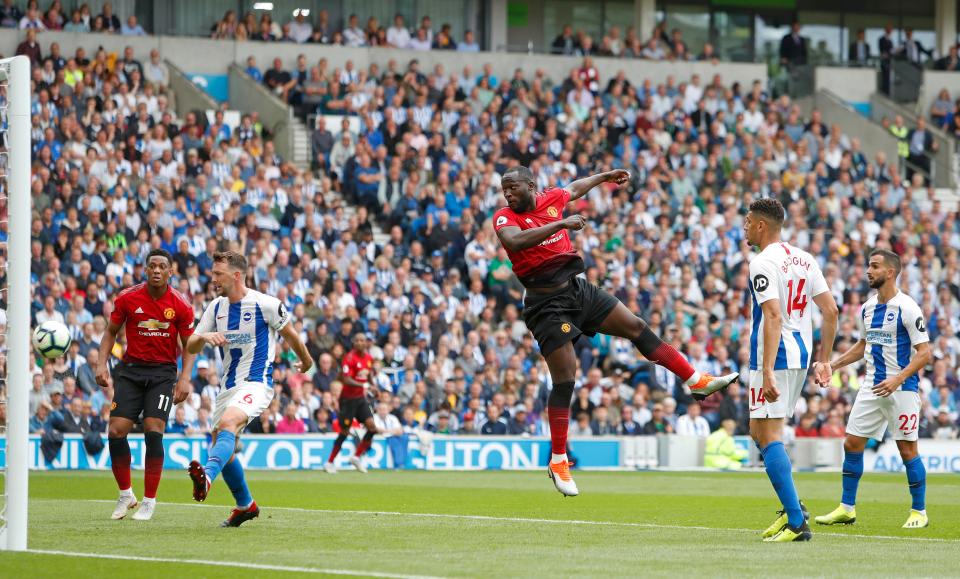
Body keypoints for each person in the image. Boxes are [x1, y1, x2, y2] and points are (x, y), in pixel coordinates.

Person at [493, 166, 738, 497]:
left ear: (530, 186)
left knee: (637, 326)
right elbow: (513, 241)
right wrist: (562, 223)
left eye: (513, 187)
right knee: (566, 379)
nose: (507, 194)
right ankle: (559, 459)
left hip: (576, 290)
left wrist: (605, 176)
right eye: (504, 189)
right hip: (545, 305)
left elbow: (575, 188)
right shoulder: (505, 218)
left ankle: (696, 381)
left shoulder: (550, 198)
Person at [186, 251, 313, 527]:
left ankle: (206, 478)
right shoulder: (216, 307)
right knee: (224, 444)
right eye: (213, 273)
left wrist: (306, 361)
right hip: (228, 387)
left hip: (257, 383)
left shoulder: (265, 304)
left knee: (229, 423)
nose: (213, 278)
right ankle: (246, 505)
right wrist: (204, 337)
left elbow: (291, 335)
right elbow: (190, 345)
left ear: (237, 275)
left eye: (218, 274)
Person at [813, 249, 932, 530]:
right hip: (871, 386)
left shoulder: (908, 308)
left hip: (901, 390)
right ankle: (846, 508)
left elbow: (925, 353)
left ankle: (919, 511)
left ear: (890, 272)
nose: (869, 270)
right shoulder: (867, 308)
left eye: (875, 266)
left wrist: (897, 379)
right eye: (869, 265)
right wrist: (833, 364)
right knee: (852, 443)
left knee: (907, 450)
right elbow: (863, 345)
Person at [744, 198, 838, 543]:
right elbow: (830, 311)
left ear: (760, 226)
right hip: (800, 354)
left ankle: (797, 521)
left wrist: (767, 370)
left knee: (768, 436)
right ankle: (791, 508)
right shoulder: (805, 258)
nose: (744, 225)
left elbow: (772, 316)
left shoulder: (761, 262)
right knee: (759, 430)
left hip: (776, 356)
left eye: (748, 220)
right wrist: (824, 358)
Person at [96, 248, 197, 521]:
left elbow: (190, 346)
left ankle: (149, 500)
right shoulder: (128, 298)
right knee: (116, 431)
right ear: (145, 269)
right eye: (152, 265)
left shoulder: (181, 304)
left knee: (154, 429)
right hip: (130, 370)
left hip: (162, 373)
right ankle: (126, 494)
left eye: (162, 266)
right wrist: (100, 363)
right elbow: (110, 333)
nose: (156, 270)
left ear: (170, 272)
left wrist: (185, 377)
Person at [324, 333, 381, 474]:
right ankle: (329, 462)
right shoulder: (349, 358)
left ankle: (356, 457)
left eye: (363, 340)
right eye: (358, 340)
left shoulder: (368, 358)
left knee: (372, 428)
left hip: (360, 399)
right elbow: (346, 379)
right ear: (354, 343)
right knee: (344, 431)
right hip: (347, 400)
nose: (361, 342)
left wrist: (374, 386)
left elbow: (368, 374)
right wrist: (365, 385)